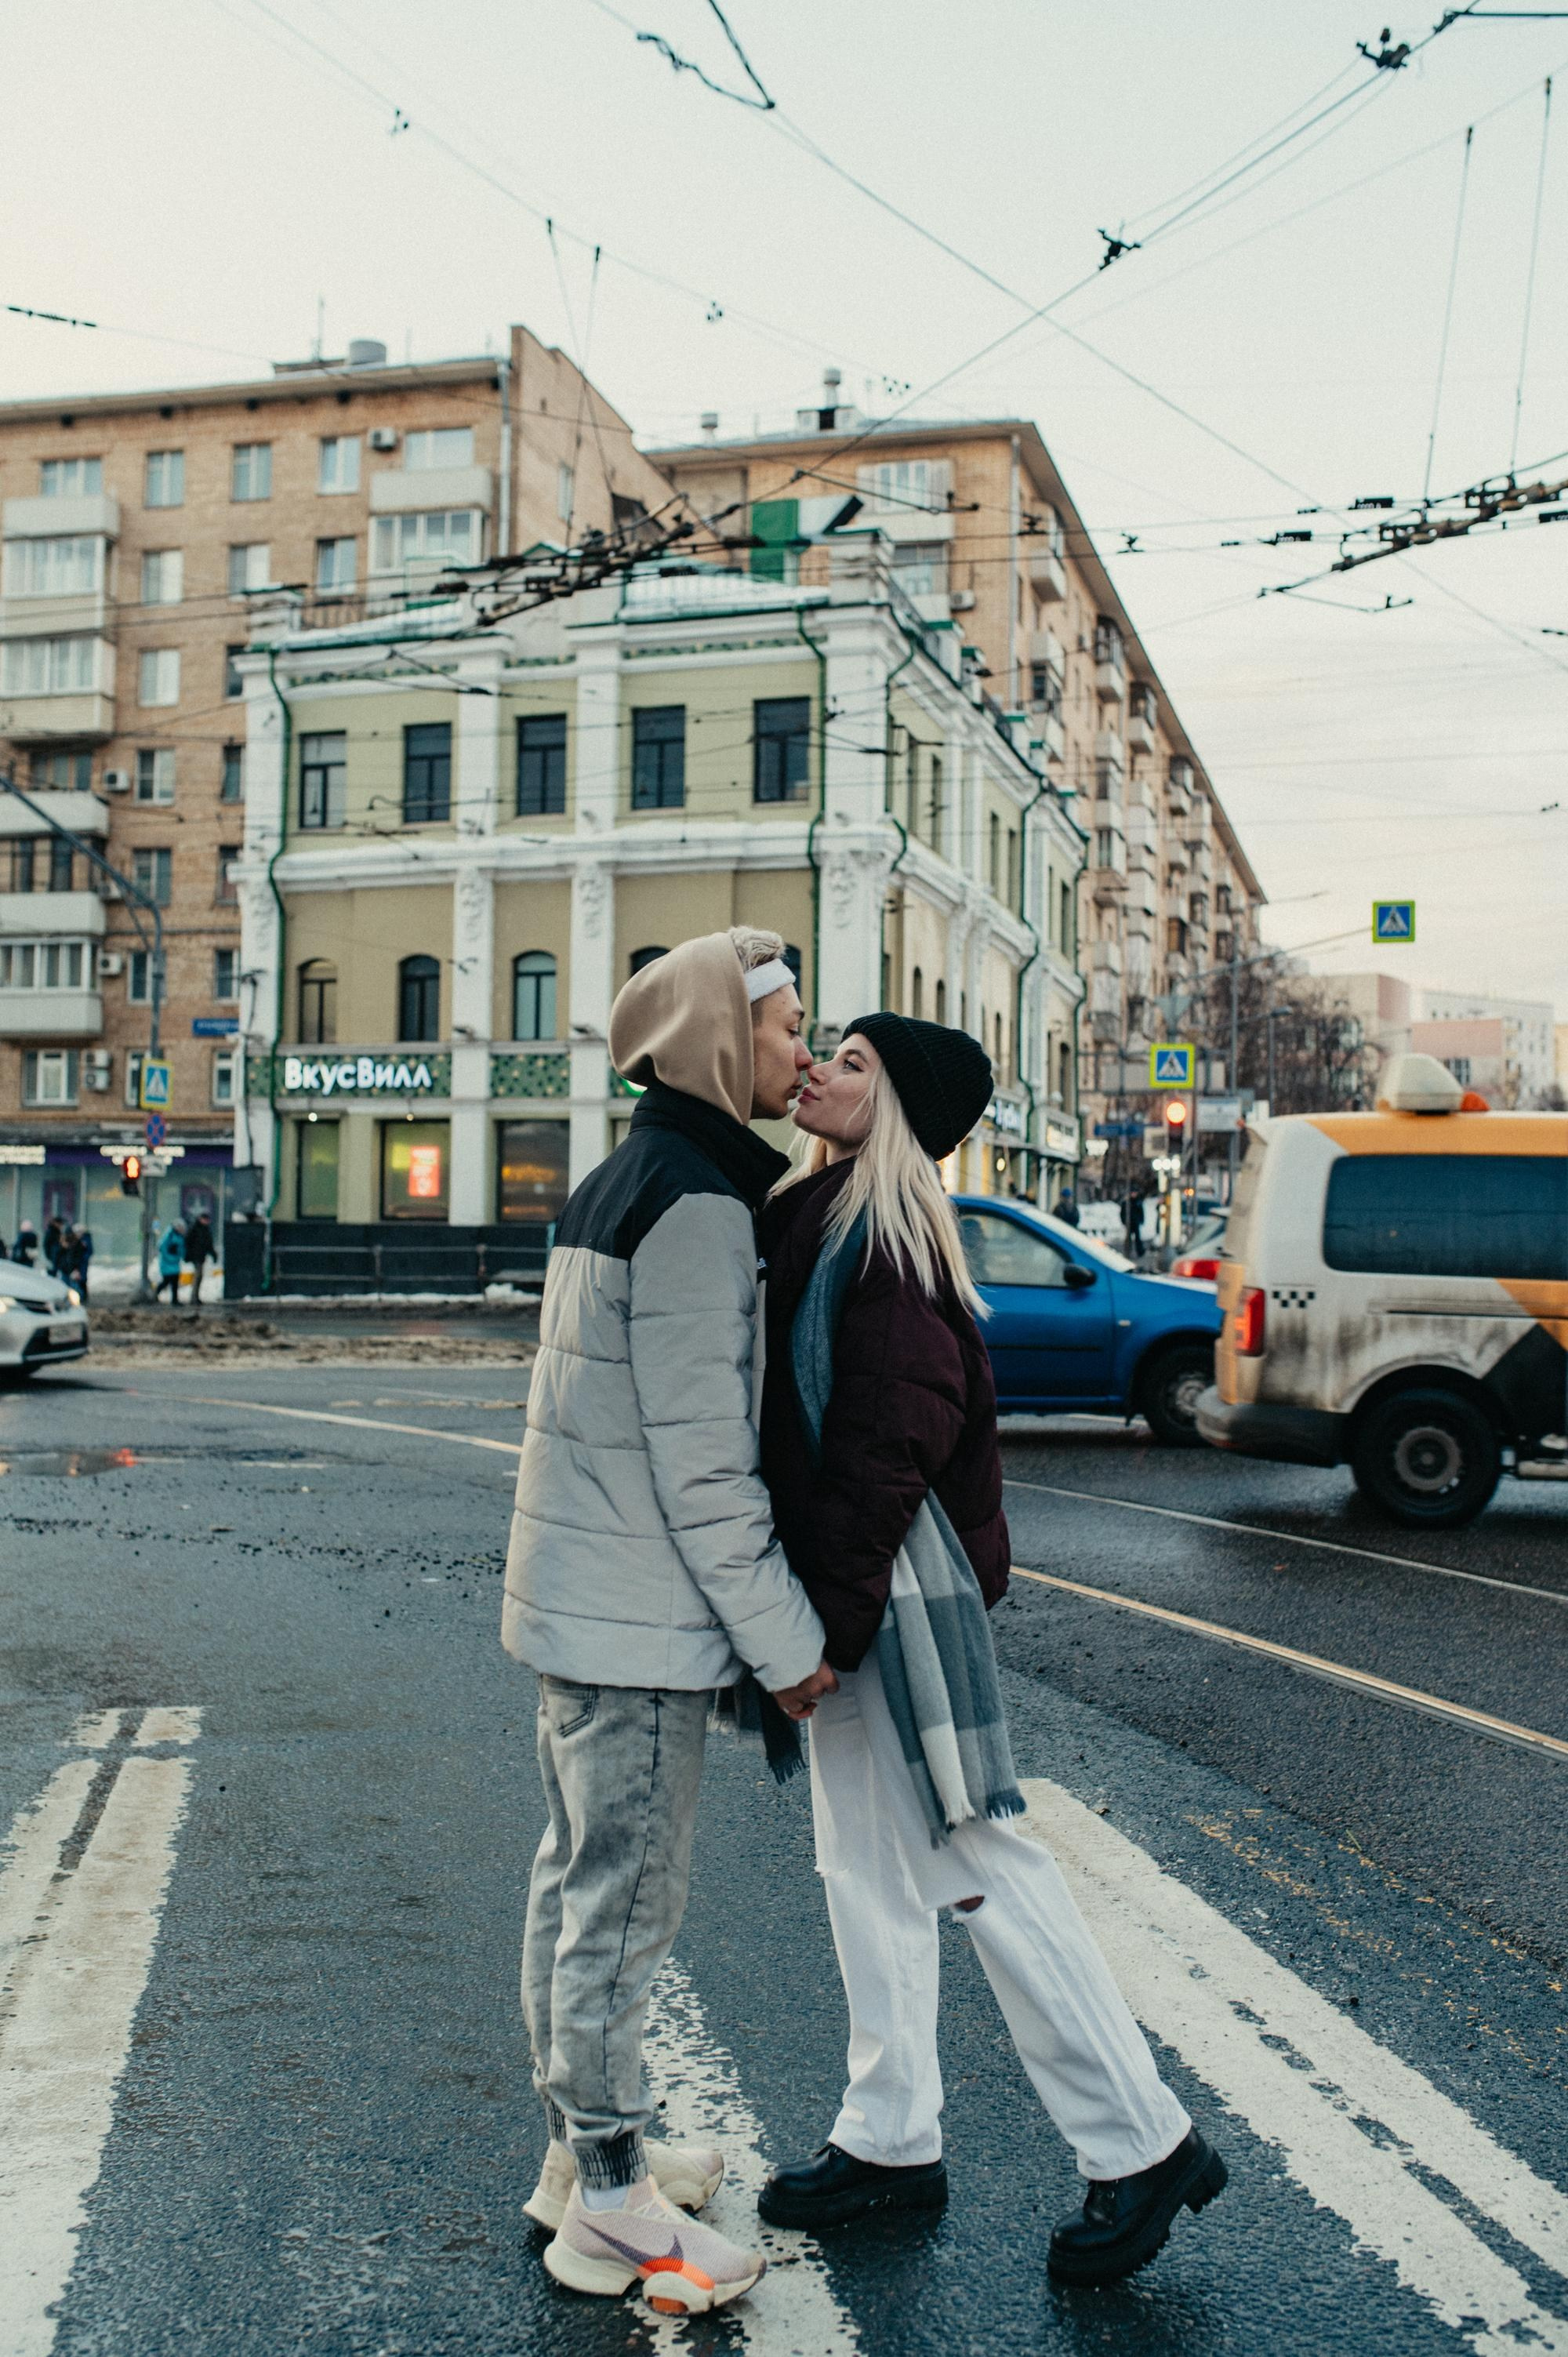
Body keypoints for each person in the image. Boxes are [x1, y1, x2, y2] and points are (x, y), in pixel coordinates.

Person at [753, 1013, 1226, 2288]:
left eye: (852, 1062)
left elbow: (885, 1447)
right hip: (856, 1582)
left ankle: (1142, 2140)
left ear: (899, 1105)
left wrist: (823, 1631)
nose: (822, 1070)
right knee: (868, 1868)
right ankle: (890, 2135)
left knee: (977, 1863)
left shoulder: (891, 1236)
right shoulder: (824, 1205)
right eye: (824, 1048)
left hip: (891, 1589)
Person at [502, 927, 834, 2319]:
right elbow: (707, 1465)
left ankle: (577, 2161)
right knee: (624, 1908)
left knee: (576, 1886)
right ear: (715, 1039)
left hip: (585, 1609)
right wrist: (790, 1646)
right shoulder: (698, 1204)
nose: (800, 1052)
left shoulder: (622, 1177)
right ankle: (615, 2203)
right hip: (637, 1622)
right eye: (781, 1030)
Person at [185, 1211, 215, 1303]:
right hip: (196, 1256)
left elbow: (208, 1244)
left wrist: (213, 1254)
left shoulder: (205, 1230)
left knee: (199, 1276)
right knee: (198, 1276)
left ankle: (195, 1297)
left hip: (201, 1256)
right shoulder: (195, 1229)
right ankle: (194, 1298)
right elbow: (188, 1242)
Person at [155, 1220, 185, 1306]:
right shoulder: (169, 1236)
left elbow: (181, 1249)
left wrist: (180, 1256)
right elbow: (162, 1247)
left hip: (175, 1263)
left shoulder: (179, 1237)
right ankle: (156, 1294)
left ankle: (175, 1300)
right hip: (167, 1263)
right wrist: (170, 1257)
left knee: (175, 1282)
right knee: (166, 1281)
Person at [66, 1225, 94, 1303]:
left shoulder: (85, 1240)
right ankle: (80, 1298)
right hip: (77, 1265)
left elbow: (88, 1252)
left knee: (81, 1281)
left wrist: (82, 1259)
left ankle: (82, 1297)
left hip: (81, 1265)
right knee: (77, 1282)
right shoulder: (76, 1240)